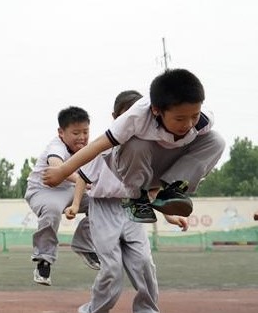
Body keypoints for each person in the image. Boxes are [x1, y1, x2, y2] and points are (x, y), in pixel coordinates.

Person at [68, 90, 189, 313]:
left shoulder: (148, 150)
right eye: (126, 117)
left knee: (144, 263)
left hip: (134, 208)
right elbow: (82, 176)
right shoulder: (104, 147)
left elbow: (153, 190)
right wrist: (75, 205)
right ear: (116, 117)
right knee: (111, 268)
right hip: (104, 209)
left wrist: (169, 216)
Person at [44, 69, 225, 223]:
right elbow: (98, 145)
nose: (188, 124)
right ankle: (137, 198)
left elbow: (204, 149)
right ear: (156, 110)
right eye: (179, 119)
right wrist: (63, 171)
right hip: (132, 168)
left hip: (165, 168)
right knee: (136, 143)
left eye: (194, 115)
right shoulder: (137, 117)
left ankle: (174, 188)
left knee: (216, 140)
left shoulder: (203, 121)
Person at [25, 106, 98, 286]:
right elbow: (57, 167)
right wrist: (85, 181)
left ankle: (84, 244)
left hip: (72, 189)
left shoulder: (89, 148)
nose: (81, 137)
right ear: (61, 133)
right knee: (52, 210)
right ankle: (44, 259)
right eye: (75, 133)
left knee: (102, 203)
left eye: (85, 132)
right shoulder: (56, 146)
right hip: (44, 190)